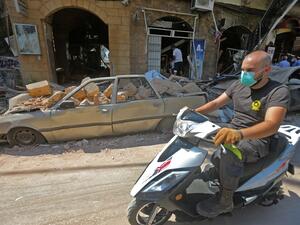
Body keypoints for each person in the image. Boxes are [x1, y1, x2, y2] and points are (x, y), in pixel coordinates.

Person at [195, 50, 289, 218]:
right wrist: (193, 113)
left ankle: (225, 202)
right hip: (234, 130)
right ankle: (218, 172)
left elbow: (272, 125)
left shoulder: (278, 91)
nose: (244, 74)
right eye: (243, 69)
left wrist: (239, 134)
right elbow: (216, 102)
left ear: (266, 70)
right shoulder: (239, 85)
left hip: (257, 140)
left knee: (230, 151)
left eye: (250, 70)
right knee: (207, 139)